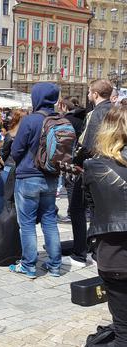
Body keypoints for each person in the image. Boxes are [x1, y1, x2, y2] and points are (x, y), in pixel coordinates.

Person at [83, 106, 127, 347]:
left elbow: (91, 209)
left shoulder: (93, 166)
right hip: (113, 257)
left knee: (123, 329)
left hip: (113, 257)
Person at [8, 82, 62, 279]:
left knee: (28, 224)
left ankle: (28, 265)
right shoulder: (60, 120)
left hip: (29, 176)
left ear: (36, 97)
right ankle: (55, 265)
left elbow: (16, 151)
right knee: (49, 220)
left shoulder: (31, 120)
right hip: (52, 177)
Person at [68, 79, 114, 267]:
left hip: (92, 166)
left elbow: (87, 144)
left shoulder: (96, 113)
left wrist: (74, 162)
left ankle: (80, 253)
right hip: (111, 166)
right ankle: (98, 251)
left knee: (78, 208)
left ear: (95, 94)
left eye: (89, 92)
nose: (88, 96)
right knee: (99, 210)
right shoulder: (116, 110)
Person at [0, 109, 25, 216]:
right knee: (16, 195)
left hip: (9, 166)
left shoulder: (11, 134)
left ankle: (0, 218)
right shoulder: (28, 134)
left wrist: (1, 158)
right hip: (22, 167)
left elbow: (5, 152)